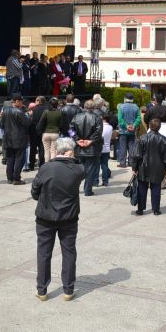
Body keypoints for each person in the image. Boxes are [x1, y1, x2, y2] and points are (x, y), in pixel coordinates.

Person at [31, 137, 85, 302]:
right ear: (70, 152)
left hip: (46, 216)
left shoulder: (46, 167)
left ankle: (42, 290)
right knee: (69, 252)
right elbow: (80, 167)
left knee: (44, 252)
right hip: (69, 217)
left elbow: (34, 191)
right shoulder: (78, 169)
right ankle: (68, 289)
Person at [131, 118, 166, 215]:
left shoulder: (142, 138)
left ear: (149, 126)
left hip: (143, 167)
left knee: (142, 188)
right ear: (159, 127)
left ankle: (140, 209)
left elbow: (136, 155)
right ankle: (156, 209)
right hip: (158, 168)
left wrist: (134, 168)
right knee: (156, 188)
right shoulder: (164, 140)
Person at [71, 99, 103, 196]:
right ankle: (87, 190)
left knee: (79, 170)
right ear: (93, 107)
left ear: (84, 106)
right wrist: (90, 140)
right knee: (90, 170)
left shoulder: (77, 116)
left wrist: (77, 139)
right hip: (91, 148)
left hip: (80, 147)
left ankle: (75, 189)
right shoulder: (97, 118)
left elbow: (70, 129)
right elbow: (99, 132)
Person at [2, 95, 30, 185]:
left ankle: (10, 178)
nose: (22, 103)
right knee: (19, 158)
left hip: (8, 138)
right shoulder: (19, 112)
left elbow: (1, 125)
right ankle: (16, 178)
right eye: (21, 101)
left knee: (10, 159)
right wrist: (28, 115)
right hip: (18, 138)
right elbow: (27, 123)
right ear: (17, 101)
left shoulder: (5, 111)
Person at [37, 97, 68, 163]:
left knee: (46, 151)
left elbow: (41, 123)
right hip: (55, 133)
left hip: (46, 133)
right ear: (57, 104)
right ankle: (52, 165)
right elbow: (61, 125)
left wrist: (40, 131)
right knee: (53, 151)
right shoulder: (59, 113)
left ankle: (47, 164)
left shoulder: (46, 112)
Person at [116, 93, 141, 168]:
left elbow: (120, 119)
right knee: (132, 147)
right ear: (132, 99)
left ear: (125, 99)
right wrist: (134, 125)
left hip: (123, 130)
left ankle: (122, 163)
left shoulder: (121, 107)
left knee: (122, 147)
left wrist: (126, 126)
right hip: (132, 131)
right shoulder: (136, 107)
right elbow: (138, 118)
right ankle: (131, 162)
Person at [29, 96, 48, 170]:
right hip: (43, 130)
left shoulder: (34, 109)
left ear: (38, 101)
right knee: (41, 148)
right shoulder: (46, 109)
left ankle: (31, 165)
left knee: (33, 148)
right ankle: (41, 164)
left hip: (33, 131)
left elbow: (31, 120)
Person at [97, 114, 113, 187]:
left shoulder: (99, 127)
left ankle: (96, 181)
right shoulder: (110, 127)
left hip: (99, 148)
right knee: (104, 166)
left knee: (97, 166)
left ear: (103, 119)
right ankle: (105, 181)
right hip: (106, 149)